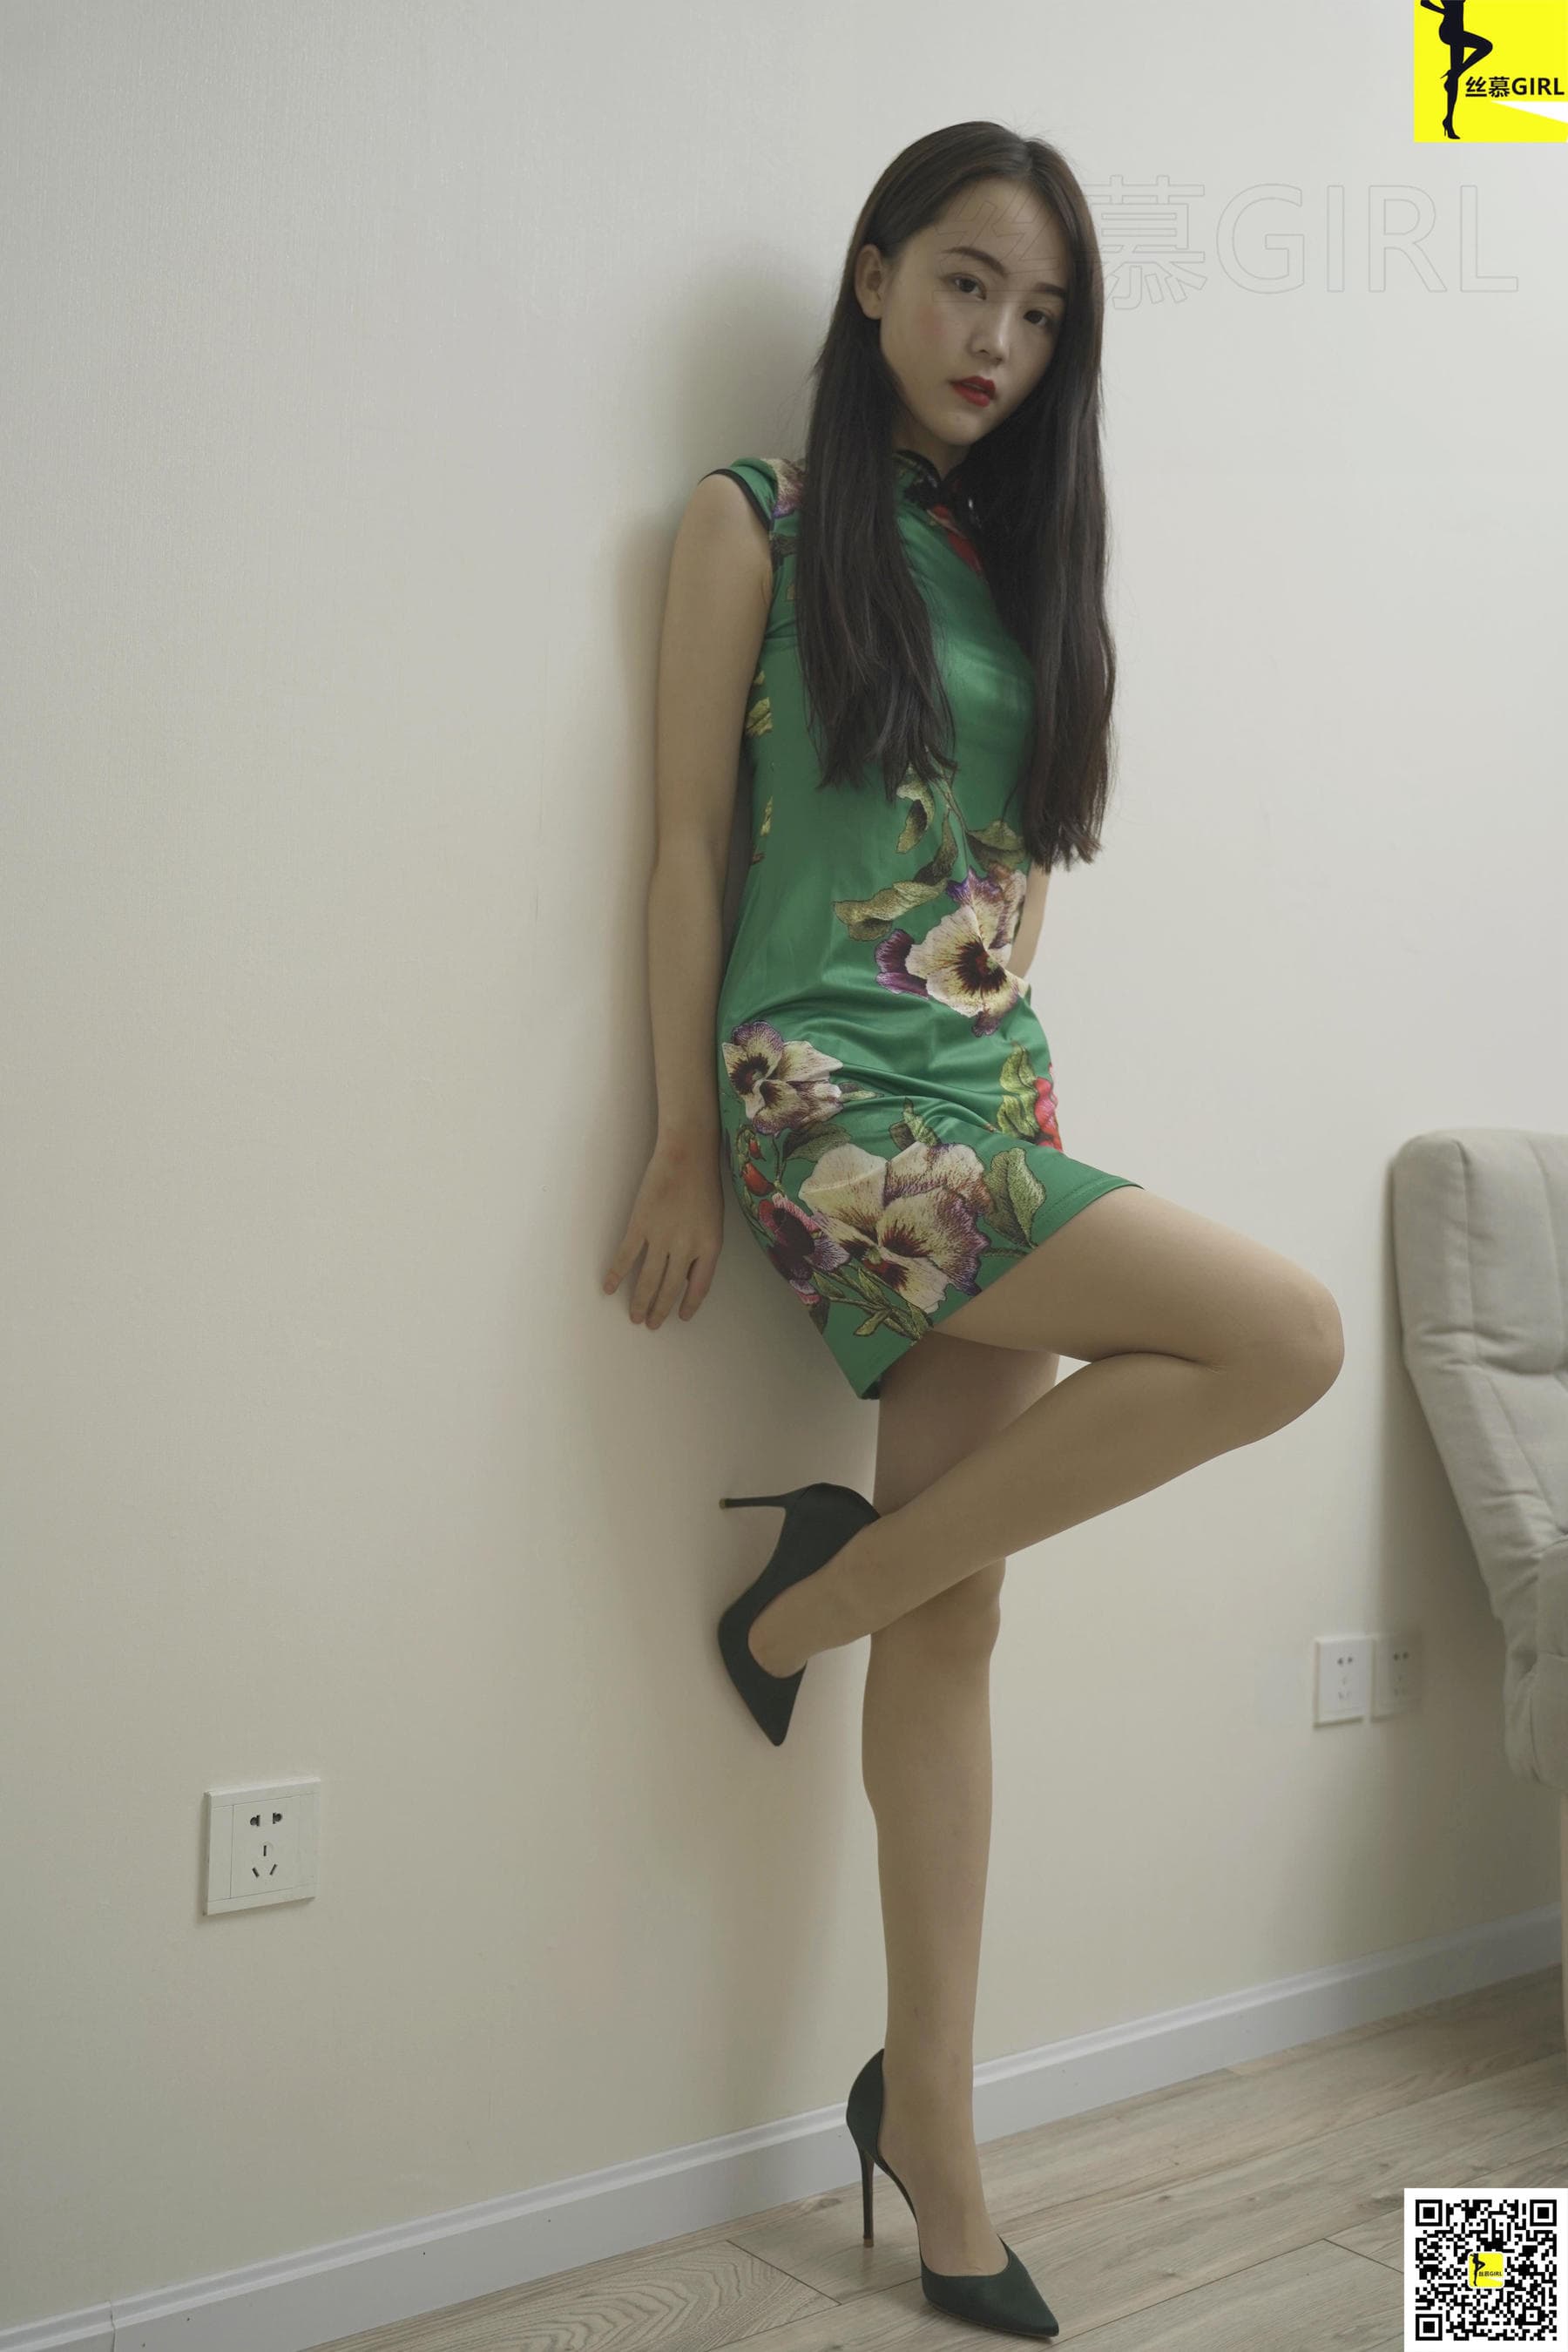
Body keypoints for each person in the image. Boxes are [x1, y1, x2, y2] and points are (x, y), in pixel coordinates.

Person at [603, 121, 1344, 2341]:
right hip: (830, 1105)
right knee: (1286, 1335)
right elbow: (682, 842)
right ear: (871, 277)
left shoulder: (1025, 560)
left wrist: (1009, 1072)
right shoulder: (754, 522)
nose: (996, 339)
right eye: (962, 284)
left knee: (961, 1619)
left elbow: (1009, 878)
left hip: (994, 1092)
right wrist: (677, 1139)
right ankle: (813, 1599)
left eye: (1038, 313)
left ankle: (932, 2123)